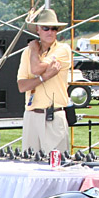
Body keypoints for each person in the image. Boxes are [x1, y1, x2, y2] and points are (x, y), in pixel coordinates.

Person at [16, 9, 72, 153]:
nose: (50, 32)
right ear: (37, 29)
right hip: (32, 114)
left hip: (53, 114)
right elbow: (22, 86)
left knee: (56, 164)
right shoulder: (26, 53)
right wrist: (44, 77)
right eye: (46, 28)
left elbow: (35, 69)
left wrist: (34, 50)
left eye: (54, 28)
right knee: (29, 163)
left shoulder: (63, 49)